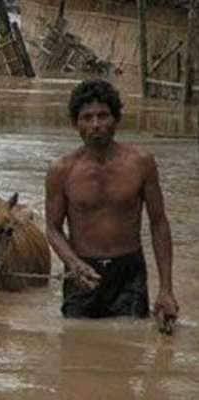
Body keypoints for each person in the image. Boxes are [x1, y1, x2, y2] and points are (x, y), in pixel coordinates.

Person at [45, 79, 178, 322]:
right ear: (75, 124)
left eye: (103, 116)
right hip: (81, 272)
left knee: (131, 348)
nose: (96, 124)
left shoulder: (141, 163)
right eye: (87, 117)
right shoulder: (61, 170)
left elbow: (159, 223)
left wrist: (166, 290)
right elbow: (53, 228)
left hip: (129, 273)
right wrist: (73, 263)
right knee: (75, 346)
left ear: (116, 120)